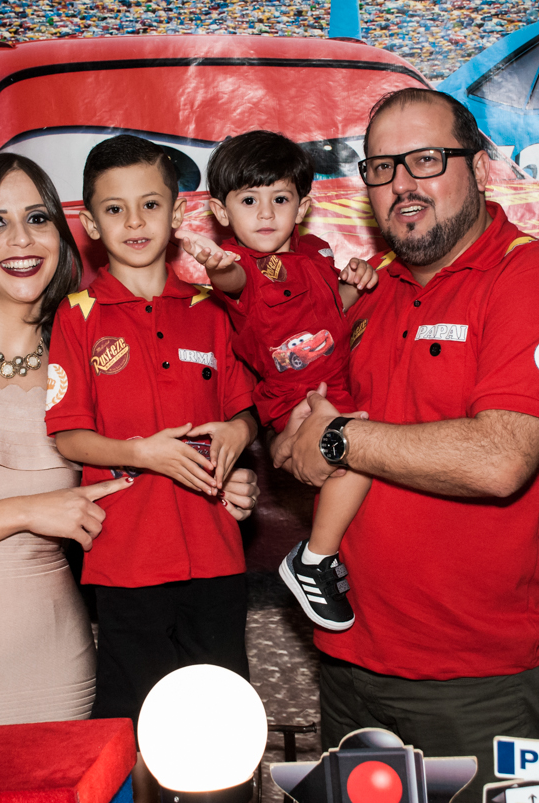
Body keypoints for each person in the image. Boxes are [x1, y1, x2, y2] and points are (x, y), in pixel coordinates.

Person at [0, 151, 262, 736]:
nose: (21, 239)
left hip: (53, 662)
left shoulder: (88, 348)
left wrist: (222, 476)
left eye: (37, 218)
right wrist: (26, 511)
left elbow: (149, 466)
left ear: (63, 234)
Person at [271, 88, 539, 795]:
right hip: (349, 659)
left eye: (425, 160)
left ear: (479, 168)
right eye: (382, 167)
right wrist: (291, 440)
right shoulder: (367, 295)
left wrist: (336, 440)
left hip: (481, 680)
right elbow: (302, 426)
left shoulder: (538, 279)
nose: (402, 184)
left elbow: (499, 459)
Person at [44, 135, 259, 801]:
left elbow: (245, 411)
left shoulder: (210, 310)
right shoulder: (77, 317)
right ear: (90, 223)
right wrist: (143, 453)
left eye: (149, 205)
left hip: (216, 557)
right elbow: (68, 435)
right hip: (128, 559)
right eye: (115, 209)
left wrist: (238, 432)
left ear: (178, 212)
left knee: (219, 730)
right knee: (129, 727)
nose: (134, 222)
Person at [179, 129, 378, 632]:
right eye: (249, 200)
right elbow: (235, 284)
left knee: (370, 458)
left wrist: (355, 285)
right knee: (353, 453)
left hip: (337, 385)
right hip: (292, 397)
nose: (265, 214)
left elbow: (330, 317)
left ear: (303, 206)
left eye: (280, 199)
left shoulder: (318, 253)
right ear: (222, 212)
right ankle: (314, 559)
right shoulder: (242, 264)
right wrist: (217, 266)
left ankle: (334, 549)